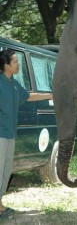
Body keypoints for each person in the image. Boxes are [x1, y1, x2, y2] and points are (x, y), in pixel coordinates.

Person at [0, 49, 53, 218]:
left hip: (11, 134)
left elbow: (28, 96)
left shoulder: (13, 83)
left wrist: (51, 94)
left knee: (5, 171)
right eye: (15, 61)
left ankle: (0, 205)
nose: (18, 64)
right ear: (6, 65)